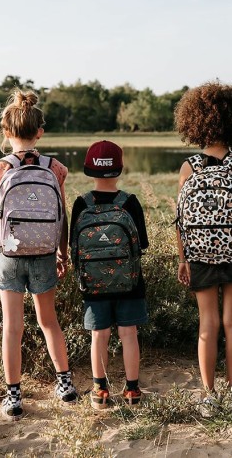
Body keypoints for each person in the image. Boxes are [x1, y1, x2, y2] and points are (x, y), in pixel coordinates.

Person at [0, 90, 78, 421]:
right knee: (49, 322)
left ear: (6, 132)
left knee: (12, 327)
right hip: (45, 253)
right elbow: (61, 215)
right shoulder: (55, 167)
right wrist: (62, 253)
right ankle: (64, 384)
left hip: (8, 254)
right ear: (39, 132)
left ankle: (13, 395)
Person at [174, 81, 232, 415]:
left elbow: (180, 220)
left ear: (194, 123)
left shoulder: (188, 167)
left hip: (199, 254)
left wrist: (183, 259)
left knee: (207, 324)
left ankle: (209, 395)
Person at [69, 140, 150, 409]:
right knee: (129, 334)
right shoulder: (131, 202)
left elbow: (74, 248)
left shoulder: (81, 204)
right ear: (120, 169)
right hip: (130, 284)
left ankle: (99, 390)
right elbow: (142, 246)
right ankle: (132, 391)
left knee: (99, 336)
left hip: (93, 285)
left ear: (88, 170)